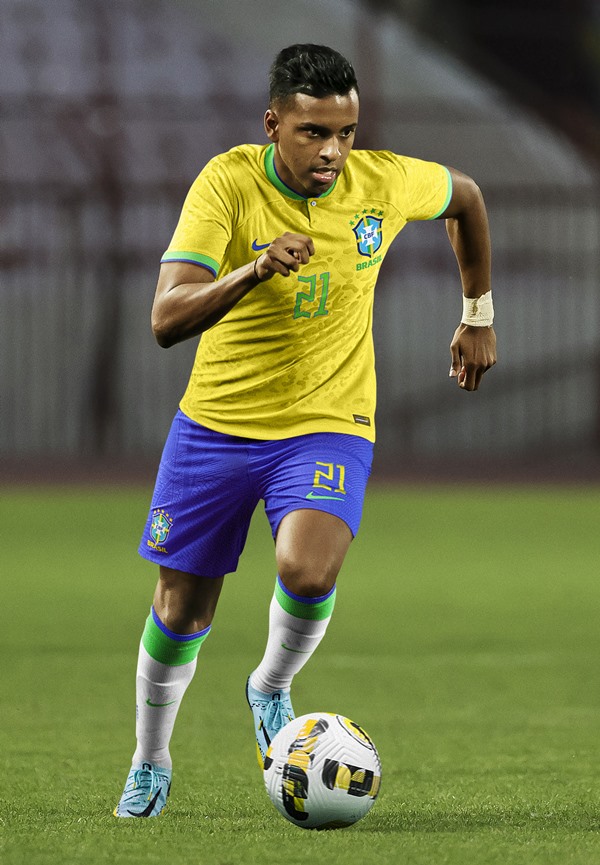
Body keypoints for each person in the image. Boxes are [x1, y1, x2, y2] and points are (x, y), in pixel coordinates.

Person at [114, 43, 496, 818]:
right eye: (314, 132)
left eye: (346, 132)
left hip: (328, 421)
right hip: (216, 426)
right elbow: (164, 319)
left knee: (311, 569)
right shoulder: (226, 184)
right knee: (183, 607)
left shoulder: (381, 182)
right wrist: (252, 269)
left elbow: (468, 198)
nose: (332, 151)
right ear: (274, 124)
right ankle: (150, 759)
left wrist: (477, 312)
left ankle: (271, 686)